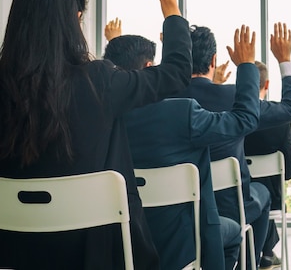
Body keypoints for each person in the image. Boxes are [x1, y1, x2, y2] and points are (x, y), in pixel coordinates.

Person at [0, 0, 190, 269]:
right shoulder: (99, 80)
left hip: (14, 251)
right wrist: (169, 4)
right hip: (95, 253)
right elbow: (176, 72)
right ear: (72, 21)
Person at [103, 30, 259, 270]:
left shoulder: (101, 120)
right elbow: (245, 120)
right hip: (183, 245)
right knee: (234, 234)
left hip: (121, 245)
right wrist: (247, 66)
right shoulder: (181, 114)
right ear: (148, 67)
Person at [178, 22, 291, 269]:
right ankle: (251, 263)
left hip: (180, 211)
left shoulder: (168, 100)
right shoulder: (234, 97)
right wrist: (284, 60)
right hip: (230, 208)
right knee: (262, 194)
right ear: (213, 60)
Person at [243, 59, 291, 269]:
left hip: (234, 197)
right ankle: (266, 252)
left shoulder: (231, 116)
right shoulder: (281, 119)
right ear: (266, 85)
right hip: (272, 198)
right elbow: (288, 173)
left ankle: (263, 251)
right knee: (266, 189)